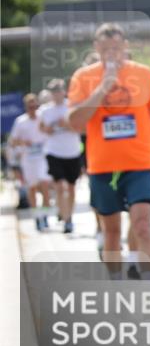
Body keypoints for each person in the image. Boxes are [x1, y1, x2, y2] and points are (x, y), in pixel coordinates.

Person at [68, 23, 150, 280]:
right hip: (102, 165)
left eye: (116, 47)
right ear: (96, 48)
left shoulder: (143, 74)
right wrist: (102, 87)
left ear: (125, 47)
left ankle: (148, 286)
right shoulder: (83, 77)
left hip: (140, 163)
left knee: (142, 225)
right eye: (106, 48)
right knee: (111, 232)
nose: (112, 53)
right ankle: (116, 285)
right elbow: (75, 122)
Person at [38, 79, 83, 233]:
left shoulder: (71, 106)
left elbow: (81, 127)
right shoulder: (45, 110)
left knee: (71, 187)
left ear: (64, 91)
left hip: (72, 151)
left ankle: (69, 217)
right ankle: (64, 217)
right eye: (53, 91)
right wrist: (49, 128)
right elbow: (42, 129)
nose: (56, 94)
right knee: (59, 186)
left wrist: (67, 125)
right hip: (54, 151)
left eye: (58, 91)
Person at [10, 93, 52, 230]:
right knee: (32, 188)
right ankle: (36, 217)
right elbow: (13, 141)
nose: (33, 109)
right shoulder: (20, 121)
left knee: (45, 185)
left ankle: (45, 215)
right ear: (26, 107)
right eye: (30, 106)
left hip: (43, 157)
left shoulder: (43, 116)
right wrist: (23, 142)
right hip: (28, 159)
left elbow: (52, 131)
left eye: (34, 106)